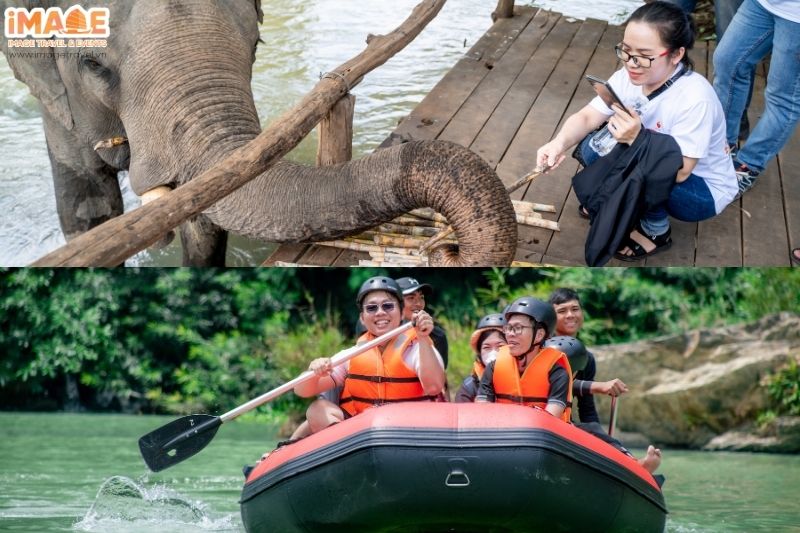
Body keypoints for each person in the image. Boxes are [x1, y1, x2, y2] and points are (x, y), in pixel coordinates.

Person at [536, 1, 737, 261]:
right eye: (625, 51)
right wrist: (557, 143)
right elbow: (587, 116)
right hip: (654, 160)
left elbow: (681, 170)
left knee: (619, 152)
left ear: (676, 55)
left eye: (643, 55)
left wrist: (636, 139)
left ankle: (656, 231)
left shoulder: (695, 99)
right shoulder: (628, 75)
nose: (631, 63)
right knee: (593, 145)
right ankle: (617, 202)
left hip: (700, 189)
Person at [293, 276, 445, 435]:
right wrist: (314, 372)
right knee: (318, 409)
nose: (380, 312)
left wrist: (422, 337)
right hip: (362, 436)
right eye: (371, 308)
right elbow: (302, 391)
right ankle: (347, 451)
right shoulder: (351, 355)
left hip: (407, 431)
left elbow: (434, 387)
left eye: (388, 306)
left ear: (401, 314)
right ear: (362, 318)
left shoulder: (417, 349)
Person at [712, 0, 800, 197]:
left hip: (796, 16)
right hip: (762, 3)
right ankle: (721, 148)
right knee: (727, 62)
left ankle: (748, 165)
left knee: (784, 97)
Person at [543, 335, 662, 476]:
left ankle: (634, 465)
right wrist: (597, 386)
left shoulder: (583, 362)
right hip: (533, 425)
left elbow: (586, 408)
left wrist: (600, 445)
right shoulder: (527, 360)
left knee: (592, 429)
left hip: (562, 425)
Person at [475, 297, 573, 422]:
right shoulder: (494, 367)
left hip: (541, 438)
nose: (510, 334)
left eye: (518, 328)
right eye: (508, 328)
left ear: (539, 335)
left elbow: (550, 420)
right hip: (502, 433)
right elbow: (482, 411)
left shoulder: (557, 372)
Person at [549, 288, 628, 425]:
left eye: (575, 309)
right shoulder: (544, 350)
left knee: (605, 440)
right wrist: (595, 386)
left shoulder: (586, 358)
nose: (570, 315)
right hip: (541, 420)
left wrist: (602, 441)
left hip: (566, 424)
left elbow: (587, 410)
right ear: (551, 318)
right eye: (562, 311)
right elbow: (553, 385)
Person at [395, 277, 449, 369]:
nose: (419, 303)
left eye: (421, 297)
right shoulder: (382, 333)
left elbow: (438, 377)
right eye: (411, 298)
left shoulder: (437, 336)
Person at [455, 313, 507, 403]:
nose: (494, 353)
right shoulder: (469, 387)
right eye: (487, 347)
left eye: (500, 346)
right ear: (479, 352)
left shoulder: (521, 379)